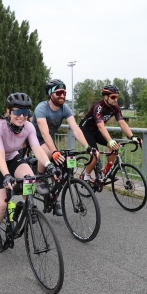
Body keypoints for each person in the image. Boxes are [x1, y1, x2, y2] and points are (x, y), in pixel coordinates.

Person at [0, 92, 61, 253]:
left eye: (25, 113)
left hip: (12, 158)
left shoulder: (29, 127)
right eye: (18, 112)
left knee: (30, 179)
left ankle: (27, 207)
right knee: (2, 204)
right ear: (9, 112)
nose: (22, 116)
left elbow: (37, 148)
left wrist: (49, 164)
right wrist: (6, 176)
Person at [31, 78, 97, 215]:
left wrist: (88, 148)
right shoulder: (41, 108)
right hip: (35, 139)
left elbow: (76, 130)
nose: (62, 95)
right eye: (58, 92)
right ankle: (40, 177)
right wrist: (54, 151)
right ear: (50, 94)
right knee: (49, 153)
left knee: (62, 168)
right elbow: (44, 132)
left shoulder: (64, 108)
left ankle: (53, 199)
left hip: (49, 140)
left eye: (64, 93)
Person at [79, 84, 142, 180]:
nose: (116, 99)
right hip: (86, 130)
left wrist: (132, 136)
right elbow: (100, 125)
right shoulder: (99, 107)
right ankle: (86, 177)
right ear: (106, 97)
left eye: (117, 97)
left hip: (97, 131)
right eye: (113, 97)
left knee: (116, 148)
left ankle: (106, 171)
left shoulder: (115, 107)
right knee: (96, 155)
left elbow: (122, 123)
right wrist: (110, 141)